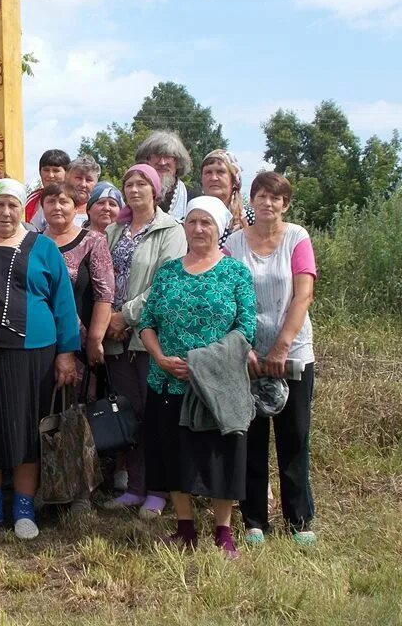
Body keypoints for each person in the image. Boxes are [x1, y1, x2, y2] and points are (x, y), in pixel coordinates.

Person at [138, 196, 257, 558]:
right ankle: (185, 528)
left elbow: (245, 327)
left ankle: (223, 532)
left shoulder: (235, 273)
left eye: (206, 223)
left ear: (219, 229)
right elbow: (147, 322)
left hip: (217, 385)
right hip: (168, 382)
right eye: (192, 222)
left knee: (221, 457)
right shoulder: (169, 271)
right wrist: (159, 358)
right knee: (173, 455)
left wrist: (200, 364)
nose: (198, 229)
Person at [0, 179, 80, 540]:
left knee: (31, 430)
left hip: (35, 354)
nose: (6, 212)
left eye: (14, 205)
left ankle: (25, 508)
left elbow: (63, 303)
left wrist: (66, 353)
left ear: (23, 210)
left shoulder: (43, 248)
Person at [226, 171, 318, 547]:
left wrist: (281, 347)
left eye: (275, 197)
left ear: (286, 204)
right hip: (246, 354)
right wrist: (245, 347)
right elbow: (228, 297)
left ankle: (299, 520)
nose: (267, 203)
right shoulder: (233, 243)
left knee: (294, 437)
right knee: (250, 439)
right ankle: (254, 522)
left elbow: (304, 294)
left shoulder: (297, 237)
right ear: (251, 201)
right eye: (261, 196)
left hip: (293, 353)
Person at [103, 164, 186, 516]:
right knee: (129, 413)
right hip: (113, 337)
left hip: (149, 337)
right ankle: (136, 486)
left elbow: (166, 282)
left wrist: (126, 316)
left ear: (155, 190)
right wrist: (106, 318)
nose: (134, 189)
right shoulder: (113, 230)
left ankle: (158, 489)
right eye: (128, 184)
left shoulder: (171, 230)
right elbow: (102, 275)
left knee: (155, 414)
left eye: (142, 184)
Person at [42, 183, 114, 370]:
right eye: (50, 201)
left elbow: (104, 294)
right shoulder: (33, 242)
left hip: (81, 341)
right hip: (42, 340)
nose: (57, 207)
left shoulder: (93, 241)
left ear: (76, 208)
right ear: (43, 208)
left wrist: (94, 339)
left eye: (63, 202)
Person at [135, 130, 199, 221]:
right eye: (156, 156)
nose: (162, 162)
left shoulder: (193, 200)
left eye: (168, 156)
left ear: (178, 161)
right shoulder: (134, 195)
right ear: (146, 160)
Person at [201, 149, 254, 247]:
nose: (213, 178)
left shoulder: (251, 218)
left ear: (234, 181)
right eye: (208, 172)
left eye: (220, 172)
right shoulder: (191, 218)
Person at [24, 149, 70, 230]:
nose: (50, 175)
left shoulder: (76, 199)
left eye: (56, 170)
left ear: (67, 173)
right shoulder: (30, 200)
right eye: (46, 170)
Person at [65, 156, 101, 228]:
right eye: (78, 178)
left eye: (89, 180)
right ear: (67, 179)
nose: (83, 184)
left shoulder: (102, 211)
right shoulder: (54, 205)